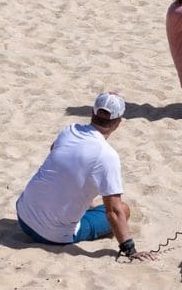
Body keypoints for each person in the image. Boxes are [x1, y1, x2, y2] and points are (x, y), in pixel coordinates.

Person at [15, 92, 154, 261]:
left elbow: (56, 156)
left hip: (23, 216)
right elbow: (114, 211)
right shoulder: (107, 156)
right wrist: (130, 249)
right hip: (51, 234)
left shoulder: (69, 130)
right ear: (118, 123)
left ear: (92, 113)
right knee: (124, 209)